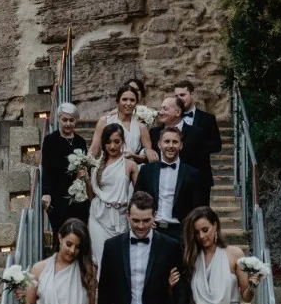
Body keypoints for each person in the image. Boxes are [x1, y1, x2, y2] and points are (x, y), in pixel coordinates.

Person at [135, 125, 201, 243]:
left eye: (175, 142)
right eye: (167, 141)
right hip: (152, 230)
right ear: (159, 144)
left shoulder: (192, 174)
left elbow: (198, 208)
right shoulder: (146, 171)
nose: (170, 146)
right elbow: (137, 199)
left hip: (180, 232)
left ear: (181, 145)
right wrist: (145, 221)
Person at [87, 123, 138, 265]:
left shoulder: (130, 165)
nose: (113, 146)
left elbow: (140, 194)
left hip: (120, 215)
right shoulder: (97, 166)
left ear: (123, 142)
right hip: (98, 215)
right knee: (101, 257)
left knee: (119, 258)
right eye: (108, 142)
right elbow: (92, 196)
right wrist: (85, 179)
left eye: (116, 141)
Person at [40, 103, 90, 247]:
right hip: (58, 195)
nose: (68, 123)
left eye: (71, 120)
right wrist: (46, 193)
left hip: (78, 197)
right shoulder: (50, 140)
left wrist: (83, 174)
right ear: (58, 119)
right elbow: (46, 168)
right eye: (64, 120)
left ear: (76, 121)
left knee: (79, 233)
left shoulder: (80, 141)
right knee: (61, 233)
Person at [174, 79, 222, 207]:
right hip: (175, 175)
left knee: (200, 216)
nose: (179, 99)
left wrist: (195, 146)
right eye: (176, 96)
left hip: (200, 176)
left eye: (182, 95)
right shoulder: (170, 118)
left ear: (193, 95)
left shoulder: (208, 119)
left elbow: (217, 145)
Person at [89, 84, 155, 164]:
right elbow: (94, 148)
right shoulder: (104, 121)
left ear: (136, 103)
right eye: (124, 99)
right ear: (118, 101)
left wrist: (133, 156)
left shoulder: (141, 128)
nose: (128, 103)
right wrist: (84, 166)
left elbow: (149, 156)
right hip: (108, 168)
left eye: (132, 100)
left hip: (132, 170)